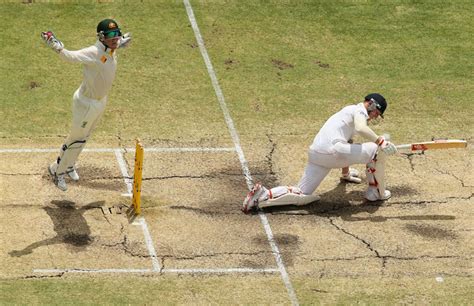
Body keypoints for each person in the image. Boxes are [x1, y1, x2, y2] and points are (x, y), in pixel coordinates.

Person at [242, 93, 398, 213]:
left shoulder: (346, 112)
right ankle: (376, 192)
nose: (374, 116)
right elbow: (361, 128)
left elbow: (348, 143)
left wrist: (346, 173)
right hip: (332, 152)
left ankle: (263, 196)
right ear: (370, 104)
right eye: (376, 112)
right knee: (375, 151)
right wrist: (381, 141)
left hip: (317, 153)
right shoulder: (360, 111)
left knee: (302, 193)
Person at [41, 19, 132, 191]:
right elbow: (71, 56)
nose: (115, 38)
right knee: (75, 138)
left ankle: (69, 166)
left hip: (100, 101)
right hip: (85, 103)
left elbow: (109, 52)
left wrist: (120, 43)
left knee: (85, 136)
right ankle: (57, 171)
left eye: (117, 34)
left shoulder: (110, 49)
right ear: (101, 37)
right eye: (111, 35)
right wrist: (57, 47)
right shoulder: (93, 52)